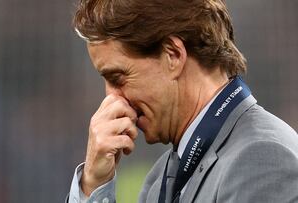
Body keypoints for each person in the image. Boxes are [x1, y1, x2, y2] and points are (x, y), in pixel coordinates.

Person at [66, 0, 298, 202]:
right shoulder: (159, 180)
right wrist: (94, 187)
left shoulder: (262, 159)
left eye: (118, 78)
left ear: (173, 55)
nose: (112, 97)